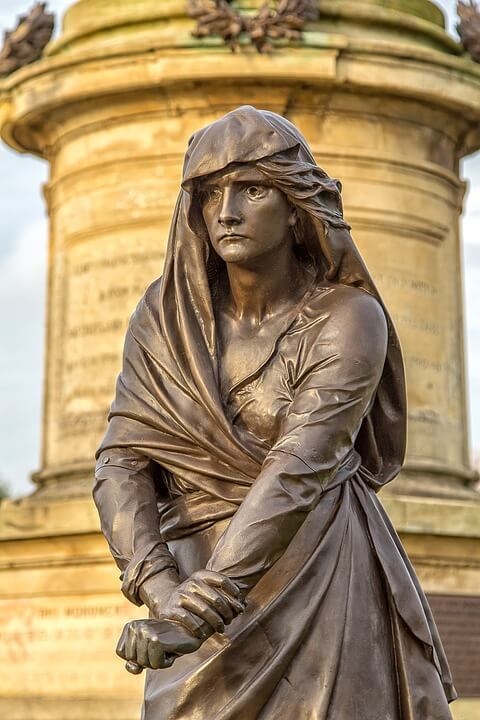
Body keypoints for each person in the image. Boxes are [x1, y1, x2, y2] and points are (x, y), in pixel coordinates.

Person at [93, 106, 456, 719]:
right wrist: (161, 593)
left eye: (252, 189)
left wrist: (195, 612)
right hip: (190, 577)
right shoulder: (164, 318)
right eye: (211, 194)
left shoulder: (347, 317)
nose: (226, 212)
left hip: (319, 578)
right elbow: (121, 460)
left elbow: (298, 468)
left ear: (295, 208)